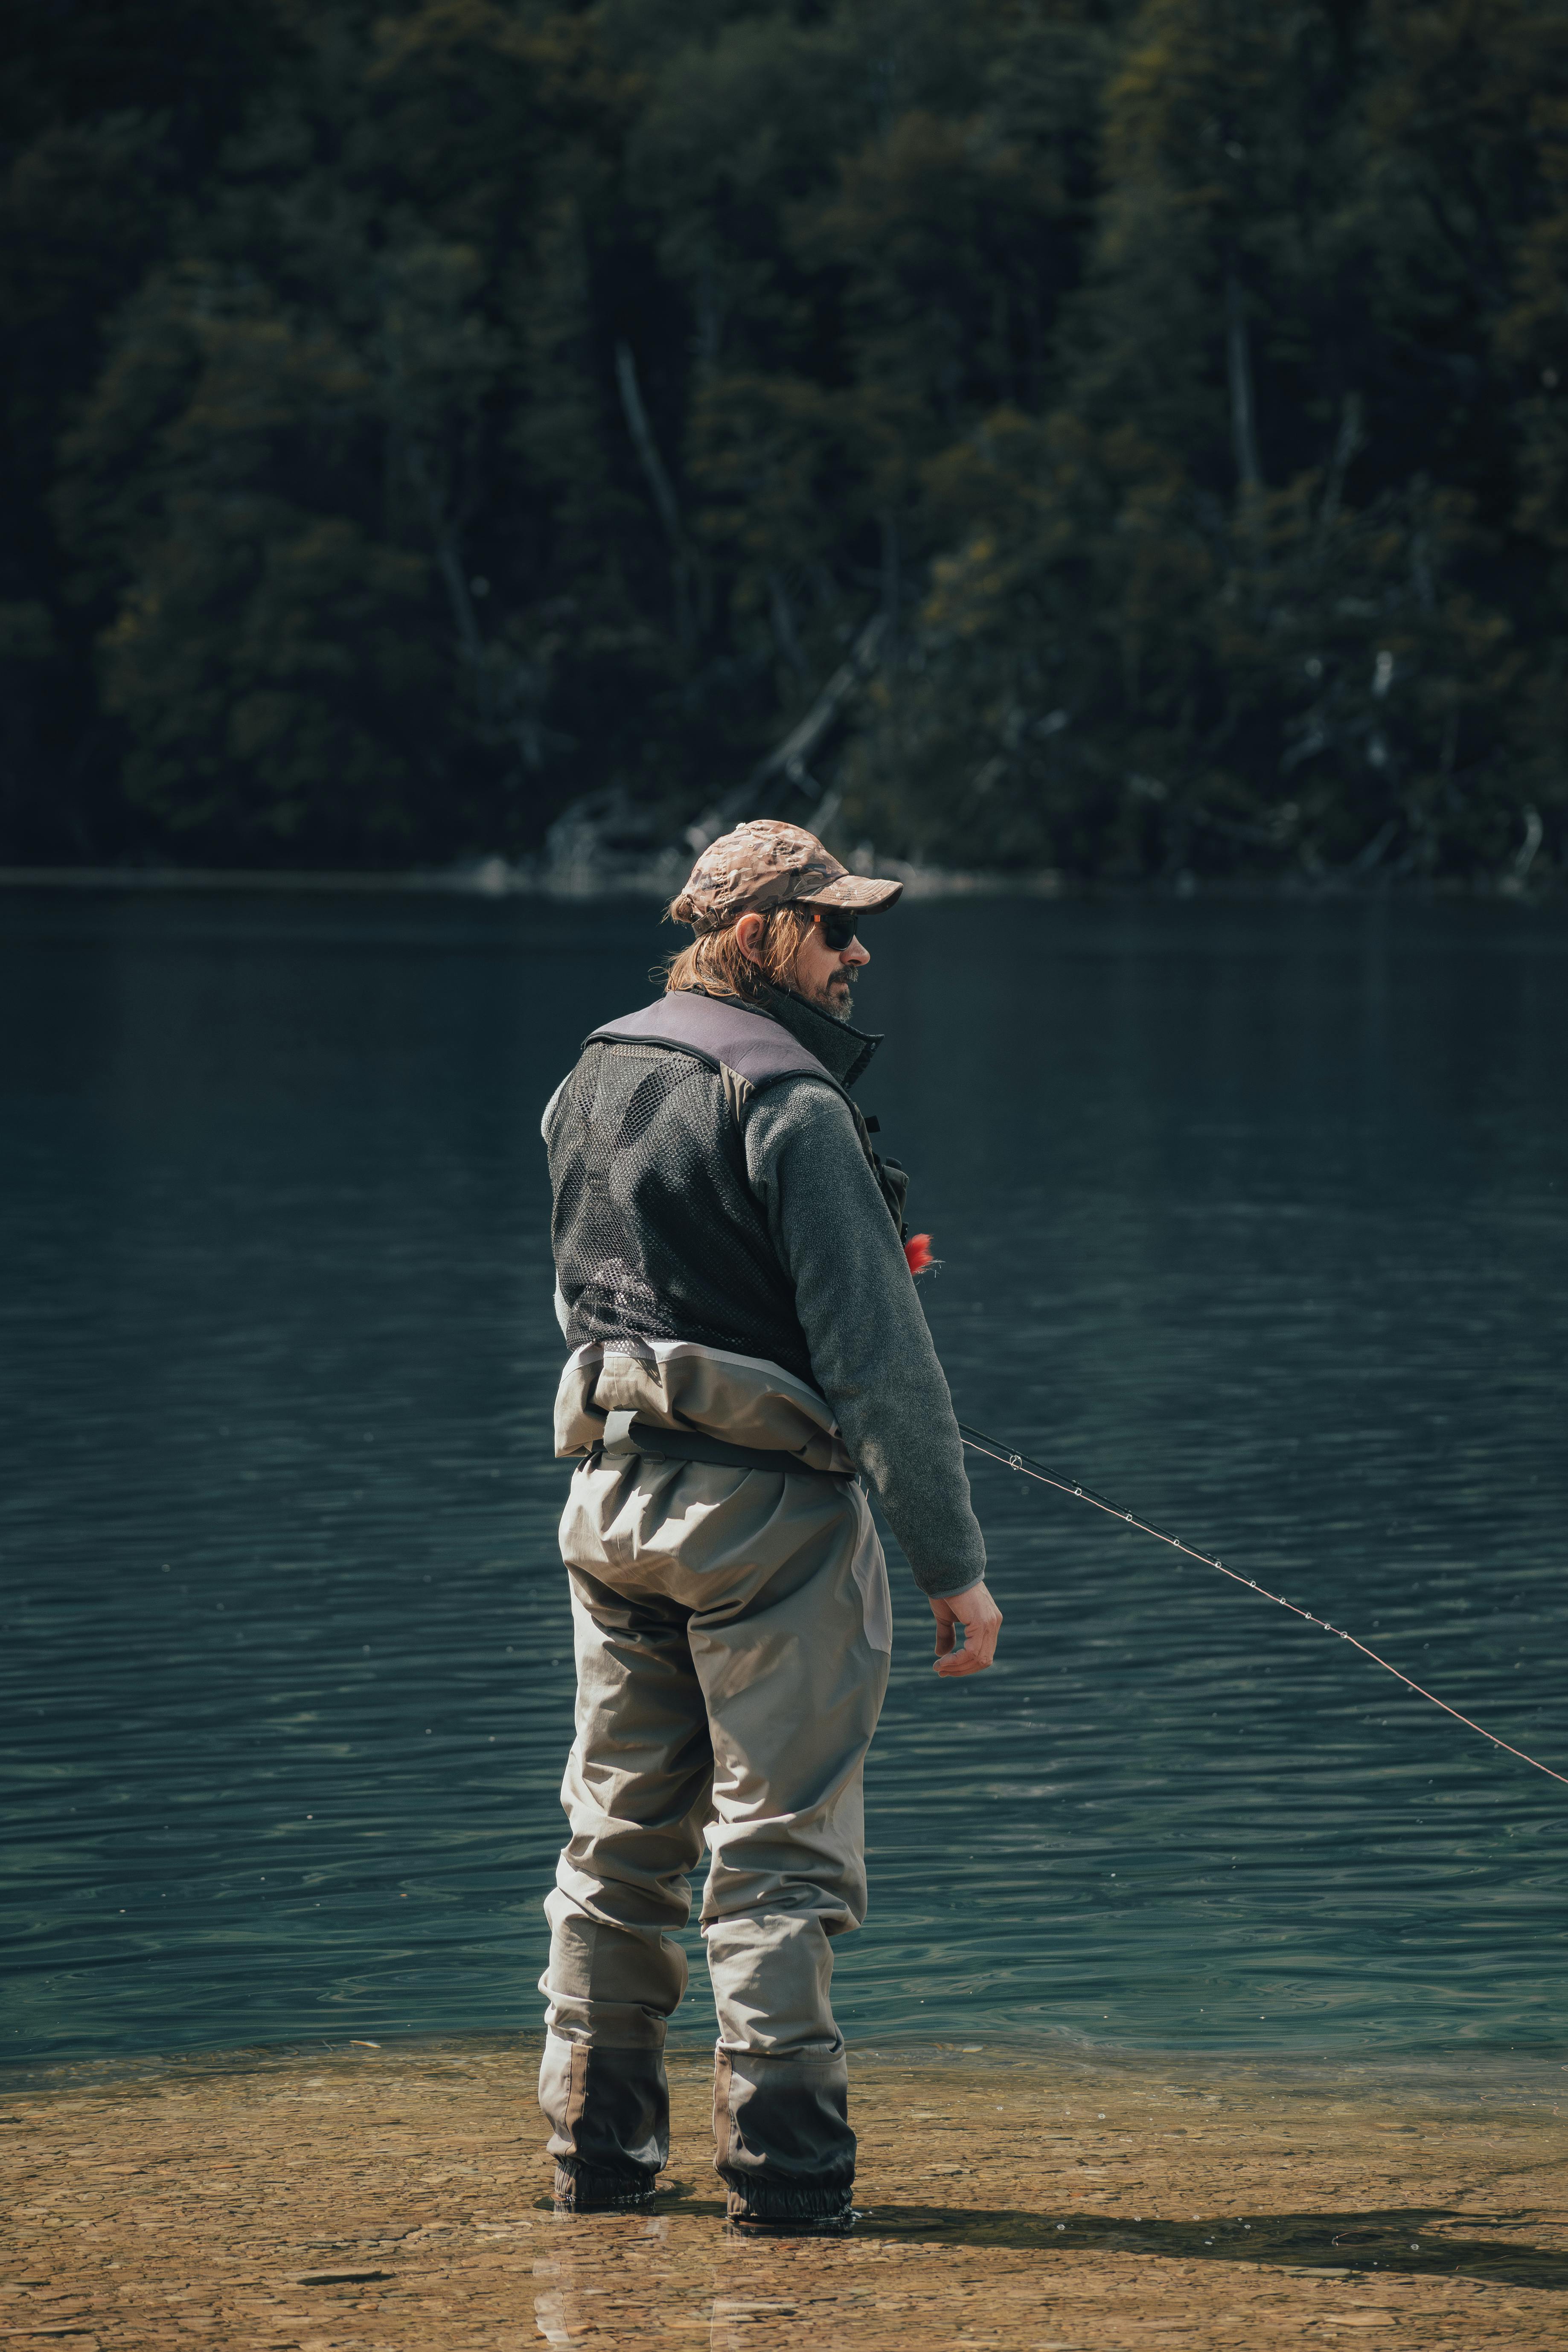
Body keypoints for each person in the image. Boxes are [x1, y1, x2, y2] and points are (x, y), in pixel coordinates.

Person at [537, 816, 1001, 2232]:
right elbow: (883, 1364)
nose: (857, 952)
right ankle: (787, 2184)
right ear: (756, 938)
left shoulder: (592, 1071)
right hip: (765, 1529)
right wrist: (954, 1571)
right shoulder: (791, 1102)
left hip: (607, 1507)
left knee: (614, 1848)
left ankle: (594, 2165)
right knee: (777, 1860)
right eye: (833, 926)